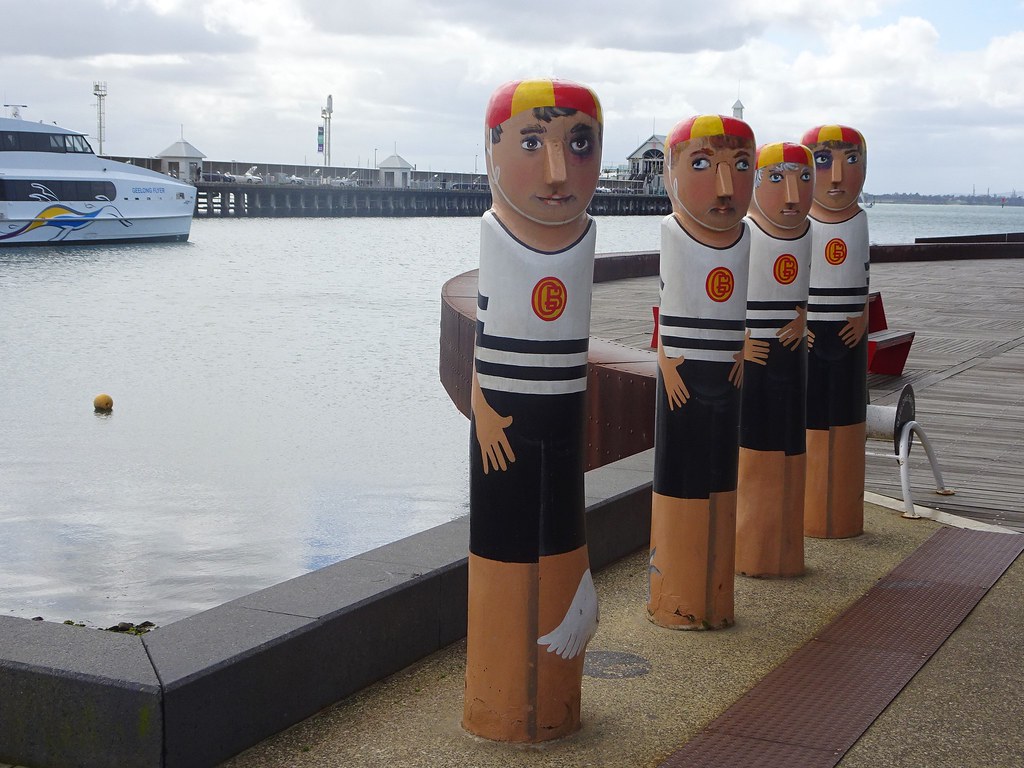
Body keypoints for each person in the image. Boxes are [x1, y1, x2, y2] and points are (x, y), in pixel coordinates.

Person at [463, 77, 603, 742]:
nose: (558, 173)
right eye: (531, 142)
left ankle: (555, 685)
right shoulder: (496, 235)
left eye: (579, 144)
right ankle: (498, 698)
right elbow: (482, 341)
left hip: (564, 416)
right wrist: (483, 410)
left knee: (562, 534)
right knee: (502, 544)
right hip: (506, 416)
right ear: (491, 150)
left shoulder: (584, 241)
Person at [649, 114, 755, 629]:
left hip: (728, 376)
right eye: (701, 165)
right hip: (686, 374)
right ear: (671, 175)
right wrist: (666, 363)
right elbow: (667, 306)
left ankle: (716, 595)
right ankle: (680, 597)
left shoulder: (745, 238)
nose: (724, 186)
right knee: (682, 482)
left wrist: (741, 345)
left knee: (721, 482)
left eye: (740, 166)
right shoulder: (674, 231)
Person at [735, 142, 815, 577]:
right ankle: (757, 550)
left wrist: (805, 316)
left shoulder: (808, 234)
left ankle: (787, 547)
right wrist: (741, 338)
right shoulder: (747, 233)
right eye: (777, 178)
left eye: (804, 179)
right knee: (759, 449)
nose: (792, 195)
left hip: (793, 358)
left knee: (791, 446)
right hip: (759, 359)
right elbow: (721, 293)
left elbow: (814, 287)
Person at [801, 125, 870, 538]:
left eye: (851, 159)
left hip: (848, 332)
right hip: (810, 331)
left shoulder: (859, 221)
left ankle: (842, 508)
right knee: (810, 416)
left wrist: (861, 317)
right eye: (823, 161)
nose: (838, 176)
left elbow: (863, 274)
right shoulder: (803, 225)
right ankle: (811, 507)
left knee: (846, 415)